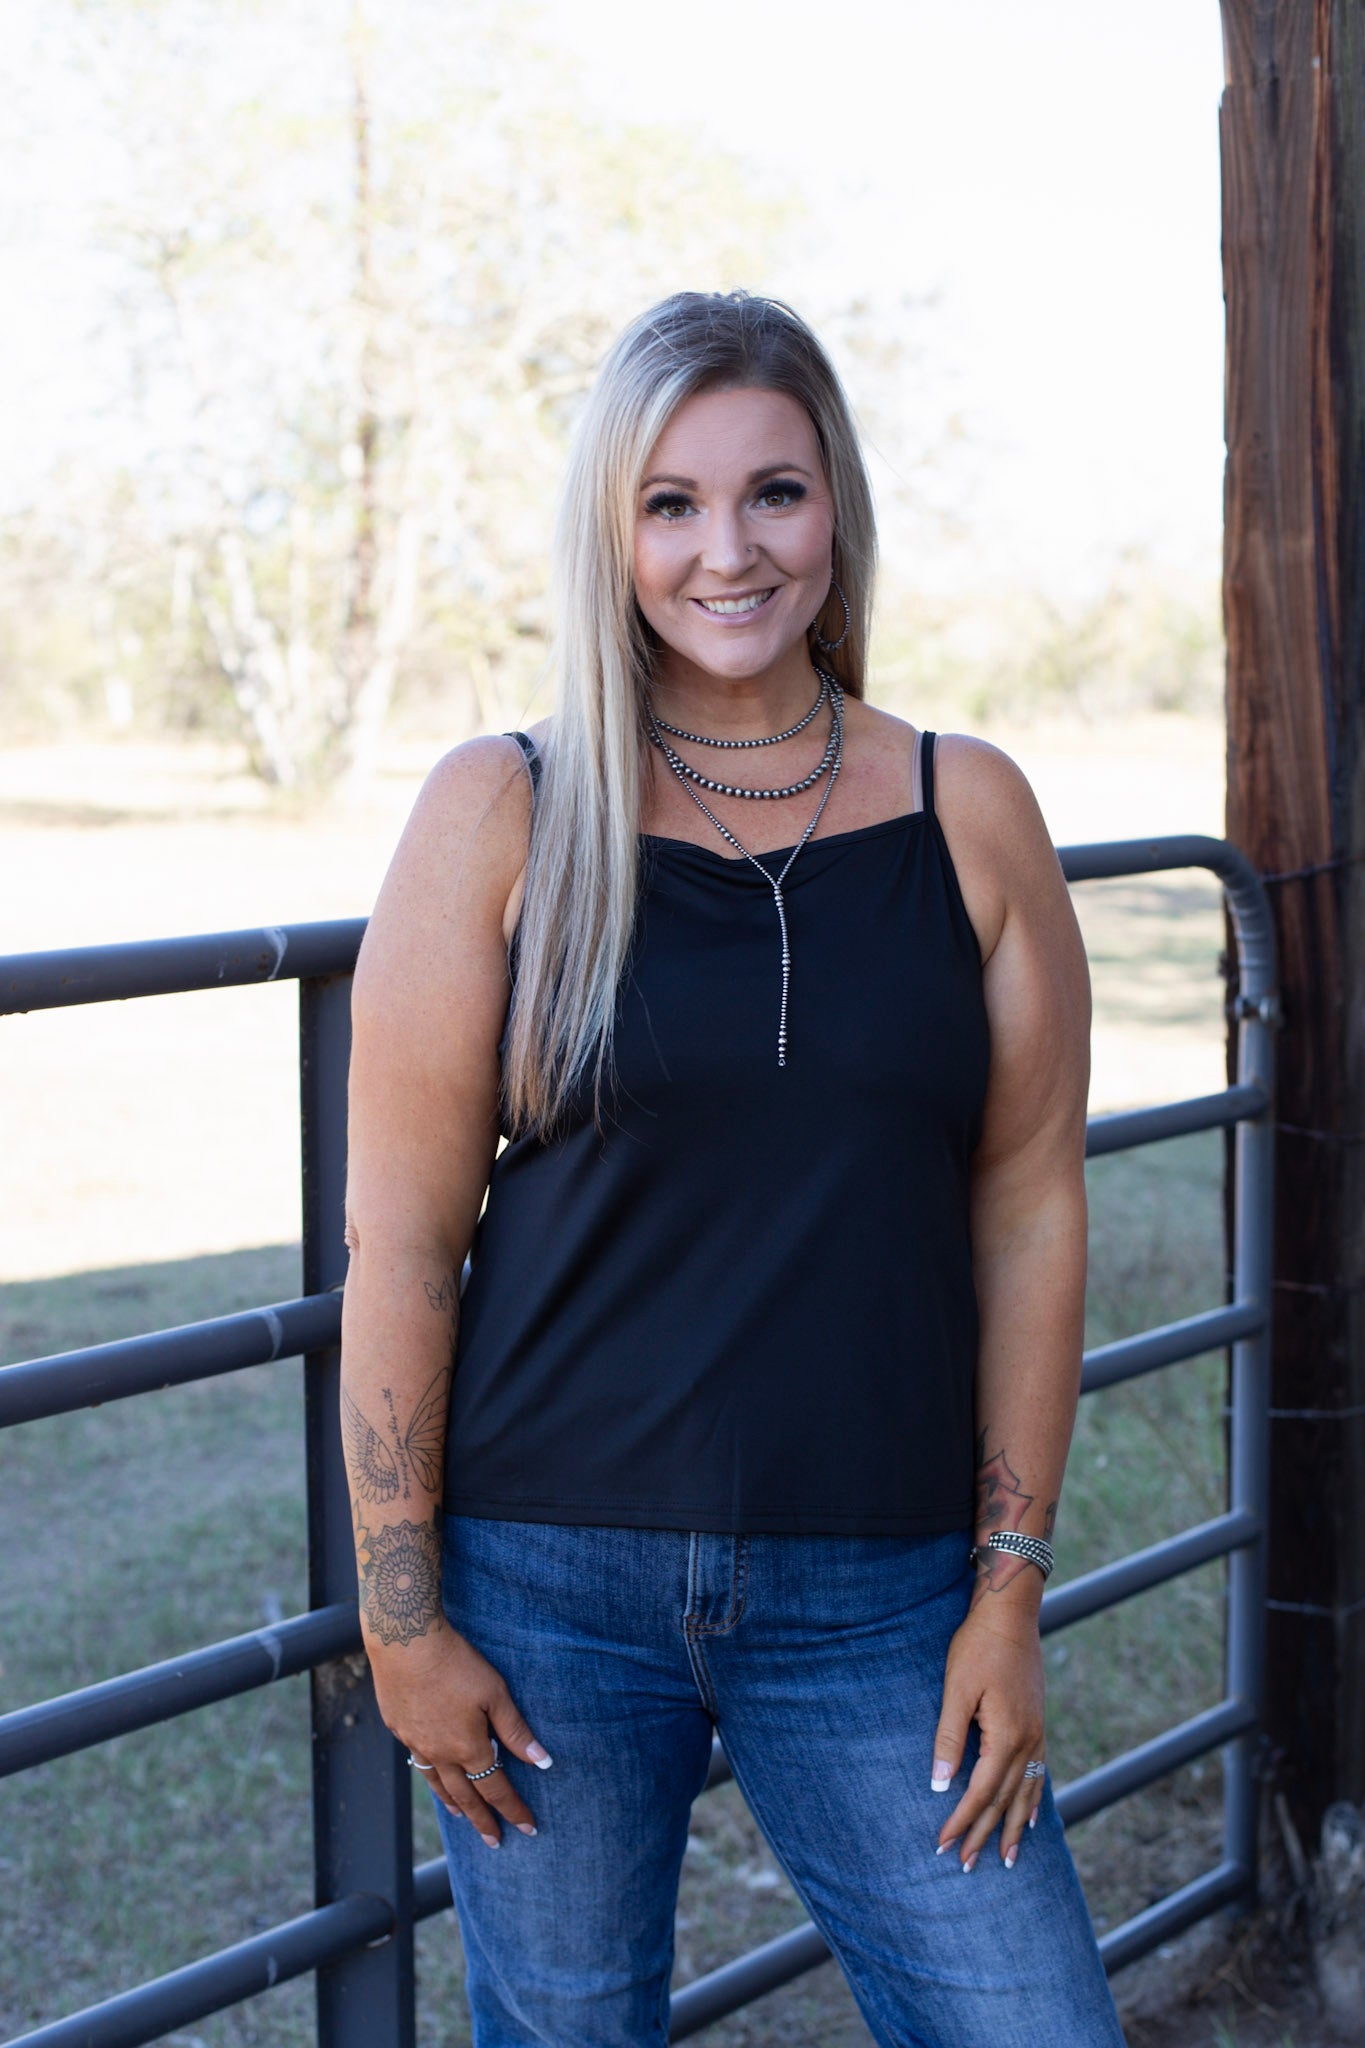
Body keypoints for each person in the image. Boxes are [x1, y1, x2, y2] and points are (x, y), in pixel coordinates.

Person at [339, 289, 1126, 2047]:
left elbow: (1028, 1208)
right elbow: (398, 1240)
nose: (725, 551)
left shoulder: (965, 808)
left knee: (1033, 2024)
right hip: (544, 1586)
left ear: (833, 507)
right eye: (669, 504)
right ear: (609, 531)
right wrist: (401, 1618)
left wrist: (1009, 1595)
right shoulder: (502, 811)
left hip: (881, 1594)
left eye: (772, 493)